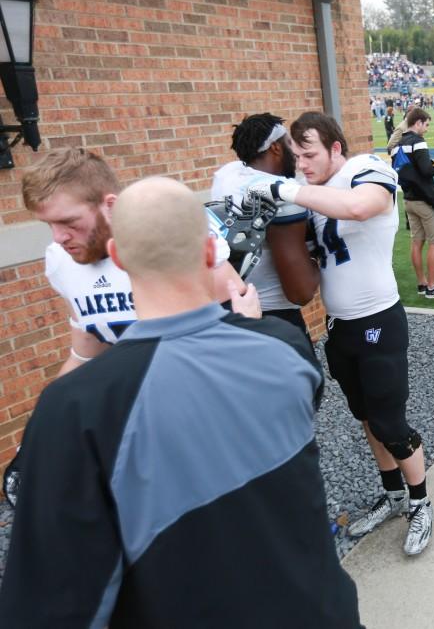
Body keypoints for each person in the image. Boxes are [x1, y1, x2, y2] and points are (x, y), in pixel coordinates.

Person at [0, 177, 362, 627]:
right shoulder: (286, 348)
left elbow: (53, 604)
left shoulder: (76, 408)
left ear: (117, 257)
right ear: (211, 253)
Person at [247, 112, 434, 556]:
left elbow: (358, 207)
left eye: (310, 154)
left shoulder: (365, 169)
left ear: (335, 147)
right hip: (340, 325)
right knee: (366, 418)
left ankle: (420, 501)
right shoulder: (314, 194)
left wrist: (285, 189)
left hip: (378, 321)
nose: (303, 164)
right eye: (296, 156)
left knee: (390, 421)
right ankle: (392, 495)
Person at [20, 148, 259, 379]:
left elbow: (240, 334)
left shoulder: (173, 243)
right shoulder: (61, 261)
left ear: (110, 206)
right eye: (49, 224)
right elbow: (87, 351)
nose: (58, 237)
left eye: (69, 222)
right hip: (130, 396)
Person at [212, 113, 319, 339]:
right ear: (276, 148)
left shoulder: (227, 175)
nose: (296, 154)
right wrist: (317, 257)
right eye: (289, 144)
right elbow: (300, 292)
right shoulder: (279, 193)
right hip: (273, 318)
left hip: (228, 312)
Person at [392, 107, 434, 297]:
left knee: (416, 242)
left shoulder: (397, 143)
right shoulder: (418, 142)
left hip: (408, 198)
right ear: (418, 122)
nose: (427, 129)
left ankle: (422, 284)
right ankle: (432, 286)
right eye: (426, 124)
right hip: (425, 199)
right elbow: (426, 170)